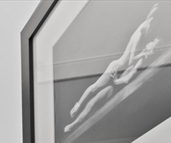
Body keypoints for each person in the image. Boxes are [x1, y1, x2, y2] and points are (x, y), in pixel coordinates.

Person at [65, 4, 160, 133]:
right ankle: (77, 106)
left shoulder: (145, 35)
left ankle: (73, 125)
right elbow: (131, 60)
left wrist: (145, 53)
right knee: (94, 88)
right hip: (115, 68)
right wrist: (143, 53)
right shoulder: (140, 34)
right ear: (149, 21)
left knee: (93, 102)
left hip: (118, 76)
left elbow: (129, 74)